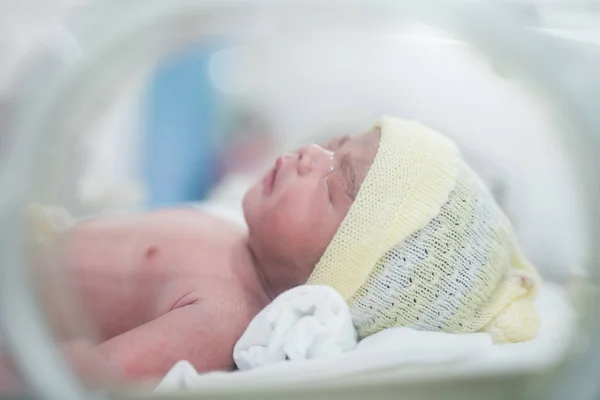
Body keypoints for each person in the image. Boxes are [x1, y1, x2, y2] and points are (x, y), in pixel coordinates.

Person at [28, 117, 541, 384]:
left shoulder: (221, 314)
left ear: (345, 266)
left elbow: (85, 376)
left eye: (334, 183)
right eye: (334, 146)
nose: (309, 155)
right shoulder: (232, 232)